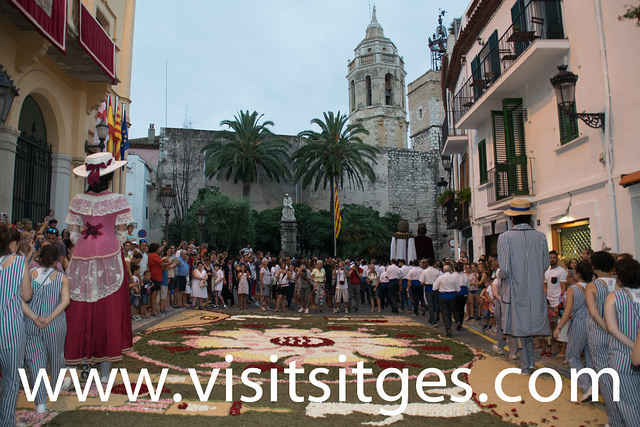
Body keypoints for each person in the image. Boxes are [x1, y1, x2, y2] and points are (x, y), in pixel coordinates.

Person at [64, 152, 133, 381]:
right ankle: (104, 371)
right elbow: (121, 235)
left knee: (79, 310)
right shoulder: (118, 200)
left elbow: (74, 236)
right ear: (110, 177)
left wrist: (88, 245)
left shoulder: (78, 200)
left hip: (82, 256)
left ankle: (78, 364)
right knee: (108, 311)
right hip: (110, 256)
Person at [497, 199, 550, 375]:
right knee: (530, 328)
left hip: (515, 289)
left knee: (520, 329)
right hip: (535, 289)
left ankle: (526, 365)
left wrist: (499, 275)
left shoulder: (505, 237)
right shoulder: (540, 237)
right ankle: (530, 363)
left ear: (512, 219)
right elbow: (545, 264)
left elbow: (505, 268)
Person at [22, 245, 70, 413]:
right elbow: (65, 301)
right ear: (57, 260)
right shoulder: (61, 278)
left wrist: (35, 317)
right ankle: (55, 388)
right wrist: (49, 318)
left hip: (32, 323)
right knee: (57, 357)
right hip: (54, 323)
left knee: (35, 363)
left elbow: (21, 299)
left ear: (39, 258)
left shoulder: (30, 275)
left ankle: (40, 402)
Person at [0, 225, 32, 426]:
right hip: (10, 327)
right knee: (11, 379)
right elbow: (26, 295)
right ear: (11, 244)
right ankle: (6, 421)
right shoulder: (19, 262)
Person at [603, 258, 640, 424]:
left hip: (622, 357)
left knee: (628, 404)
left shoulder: (614, 297)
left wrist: (634, 346)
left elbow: (612, 329)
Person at [584, 251, 618, 425]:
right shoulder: (618, 283)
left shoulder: (593, 286)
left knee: (605, 378)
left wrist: (607, 328)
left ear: (594, 266)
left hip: (599, 332)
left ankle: (613, 418)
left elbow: (594, 313)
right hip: (619, 333)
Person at [553, 261, 593, 402]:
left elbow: (568, 310)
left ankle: (586, 386)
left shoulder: (573, 289)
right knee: (589, 356)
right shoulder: (593, 287)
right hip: (592, 323)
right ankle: (593, 385)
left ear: (578, 274)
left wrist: (559, 327)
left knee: (572, 356)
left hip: (578, 323)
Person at [433, 264, 461, 337]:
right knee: (449, 312)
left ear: (443, 270)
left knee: (444, 313)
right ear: (450, 270)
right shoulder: (454, 278)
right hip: (452, 296)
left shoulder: (440, 278)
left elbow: (434, 288)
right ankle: (449, 327)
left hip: (443, 296)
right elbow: (458, 289)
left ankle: (448, 329)